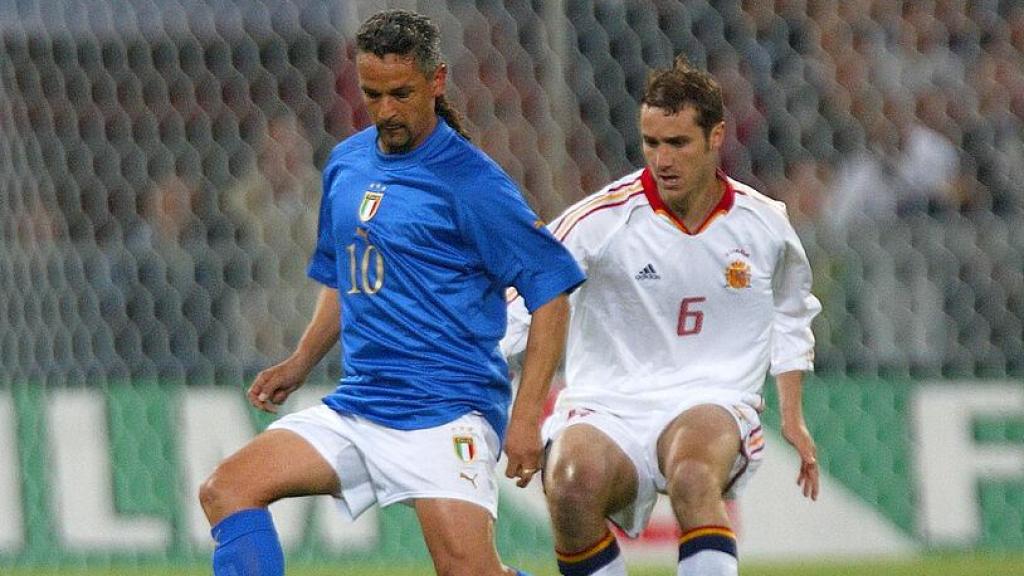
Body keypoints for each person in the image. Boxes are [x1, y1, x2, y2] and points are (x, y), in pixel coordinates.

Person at [198, 9, 585, 576]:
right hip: (362, 405)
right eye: (372, 94)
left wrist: (527, 417)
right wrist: (302, 360)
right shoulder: (347, 163)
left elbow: (551, 291)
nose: (385, 111)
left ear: (437, 80)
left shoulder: (471, 183)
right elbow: (345, 272)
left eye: (401, 93)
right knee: (227, 489)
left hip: (446, 412)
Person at [502, 55, 821, 576]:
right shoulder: (600, 220)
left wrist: (792, 414)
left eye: (678, 143)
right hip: (608, 403)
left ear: (717, 137)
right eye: (651, 143)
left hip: (713, 397)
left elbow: (791, 311)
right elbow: (525, 303)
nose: (662, 159)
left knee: (694, 476)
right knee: (569, 484)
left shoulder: (764, 224)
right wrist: (482, 381)